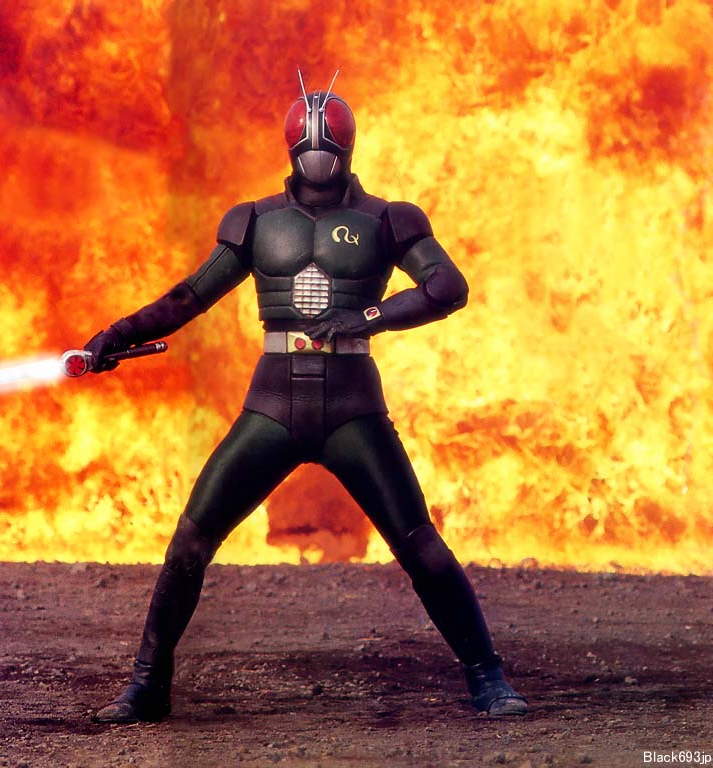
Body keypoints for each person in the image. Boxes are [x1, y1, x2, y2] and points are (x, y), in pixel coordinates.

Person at [84, 80, 528, 723]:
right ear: (294, 146)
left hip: (352, 405)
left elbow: (447, 286)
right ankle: (148, 684)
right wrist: (117, 335)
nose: (319, 152)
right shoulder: (256, 221)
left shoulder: (388, 219)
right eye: (310, 141)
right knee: (190, 541)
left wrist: (367, 316)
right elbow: (188, 298)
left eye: (328, 142)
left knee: (420, 545)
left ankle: (488, 678)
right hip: (274, 403)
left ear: (345, 146)